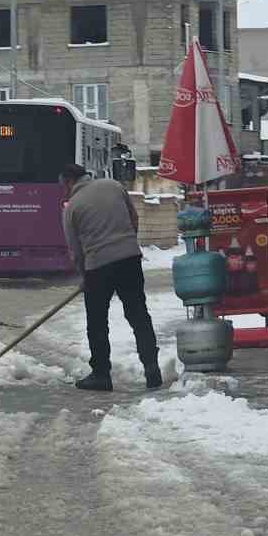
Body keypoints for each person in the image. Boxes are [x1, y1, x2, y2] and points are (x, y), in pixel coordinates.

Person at [60, 164, 162, 392]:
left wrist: (85, 275)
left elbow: (75, 250)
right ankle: (152, 367)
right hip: (129, 259)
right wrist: (126, 244)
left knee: (97, 322)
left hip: (98, 266)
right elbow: (134, 218)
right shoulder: (114, 186)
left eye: (62, 186)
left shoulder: (72, 207)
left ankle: (101, 374)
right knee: (138, 314)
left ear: (69, 182)